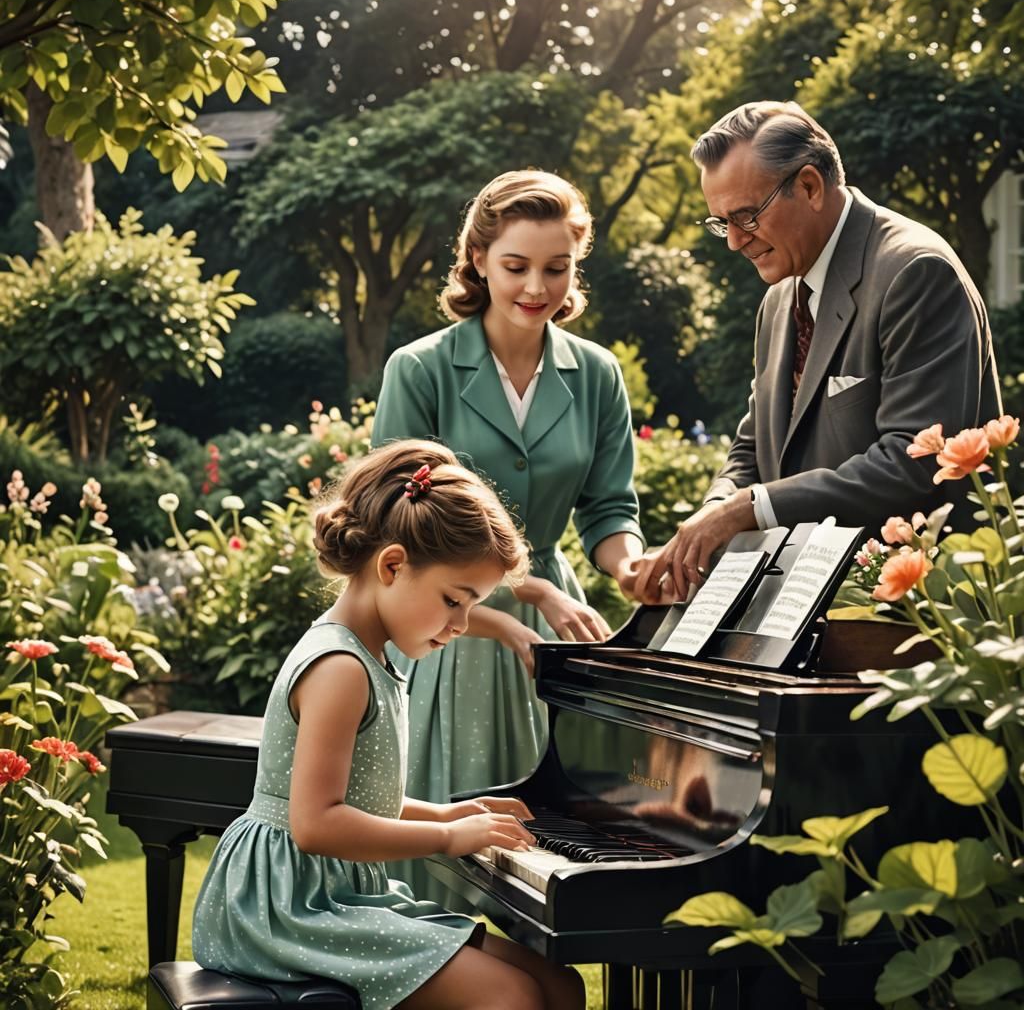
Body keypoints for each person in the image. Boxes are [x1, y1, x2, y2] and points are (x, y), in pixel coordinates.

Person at [191, 439, 585, 1010]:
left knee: (560, 986)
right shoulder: (340, 667)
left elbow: (362, 797)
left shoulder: (373, 657)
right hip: (285, 908)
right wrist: (447, 838)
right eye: (455, 600)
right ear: (392, 565)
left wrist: (452, 811)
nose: (461, 624)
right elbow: (316, 824)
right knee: (510, 997)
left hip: (335, 892)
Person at [371, 169, 646, 902]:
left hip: (556, 636)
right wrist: (531, 598)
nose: (537, 286)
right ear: (478, 261)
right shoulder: (420, 369)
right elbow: (401, 522)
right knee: (441, 862)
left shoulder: (596, 374)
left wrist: (632, 568)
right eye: (516, 266)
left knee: (548, 850)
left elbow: (608, 510)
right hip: (446, 626)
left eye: (557, 268)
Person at [635, 100, 1001, 601]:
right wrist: (708, 520)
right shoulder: (779, 297)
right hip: (801, 613)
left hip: (916, 618)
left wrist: (748, 508)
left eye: (746, 216)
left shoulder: (915, 270)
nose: (735, 241)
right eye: (722, 222)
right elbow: (754, 446)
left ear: (809, 186)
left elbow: (913, 459)